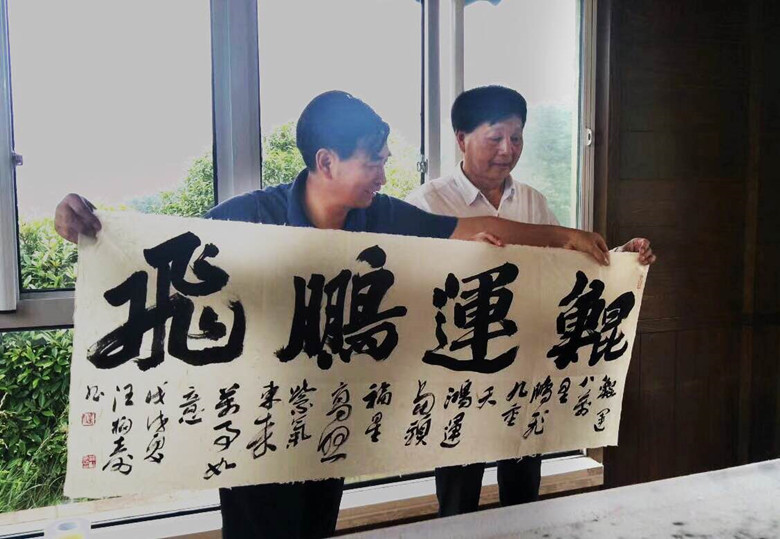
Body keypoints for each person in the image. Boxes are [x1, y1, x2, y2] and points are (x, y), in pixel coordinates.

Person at [54, 90, 611, 538]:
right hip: (255, 427)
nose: (384, 172)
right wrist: (84, 225)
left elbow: (473, 228)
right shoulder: (252, 217)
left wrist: (567, 237)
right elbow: (158, 253)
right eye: (373, 160)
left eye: (384, 159)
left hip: (325, 421)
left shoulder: (378, 216)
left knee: (318, 526)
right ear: (326, 161)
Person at [405, 85, 656, 518]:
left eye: (517, 137)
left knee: (523, 488)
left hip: (525, 365)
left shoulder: (532, 201)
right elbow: (407, 283)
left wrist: (620, 259)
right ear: (461, 138)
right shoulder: (429, 202)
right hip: (459, 370)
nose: (508, 150)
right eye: (495, 137)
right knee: (459, 493)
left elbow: (566, 271)